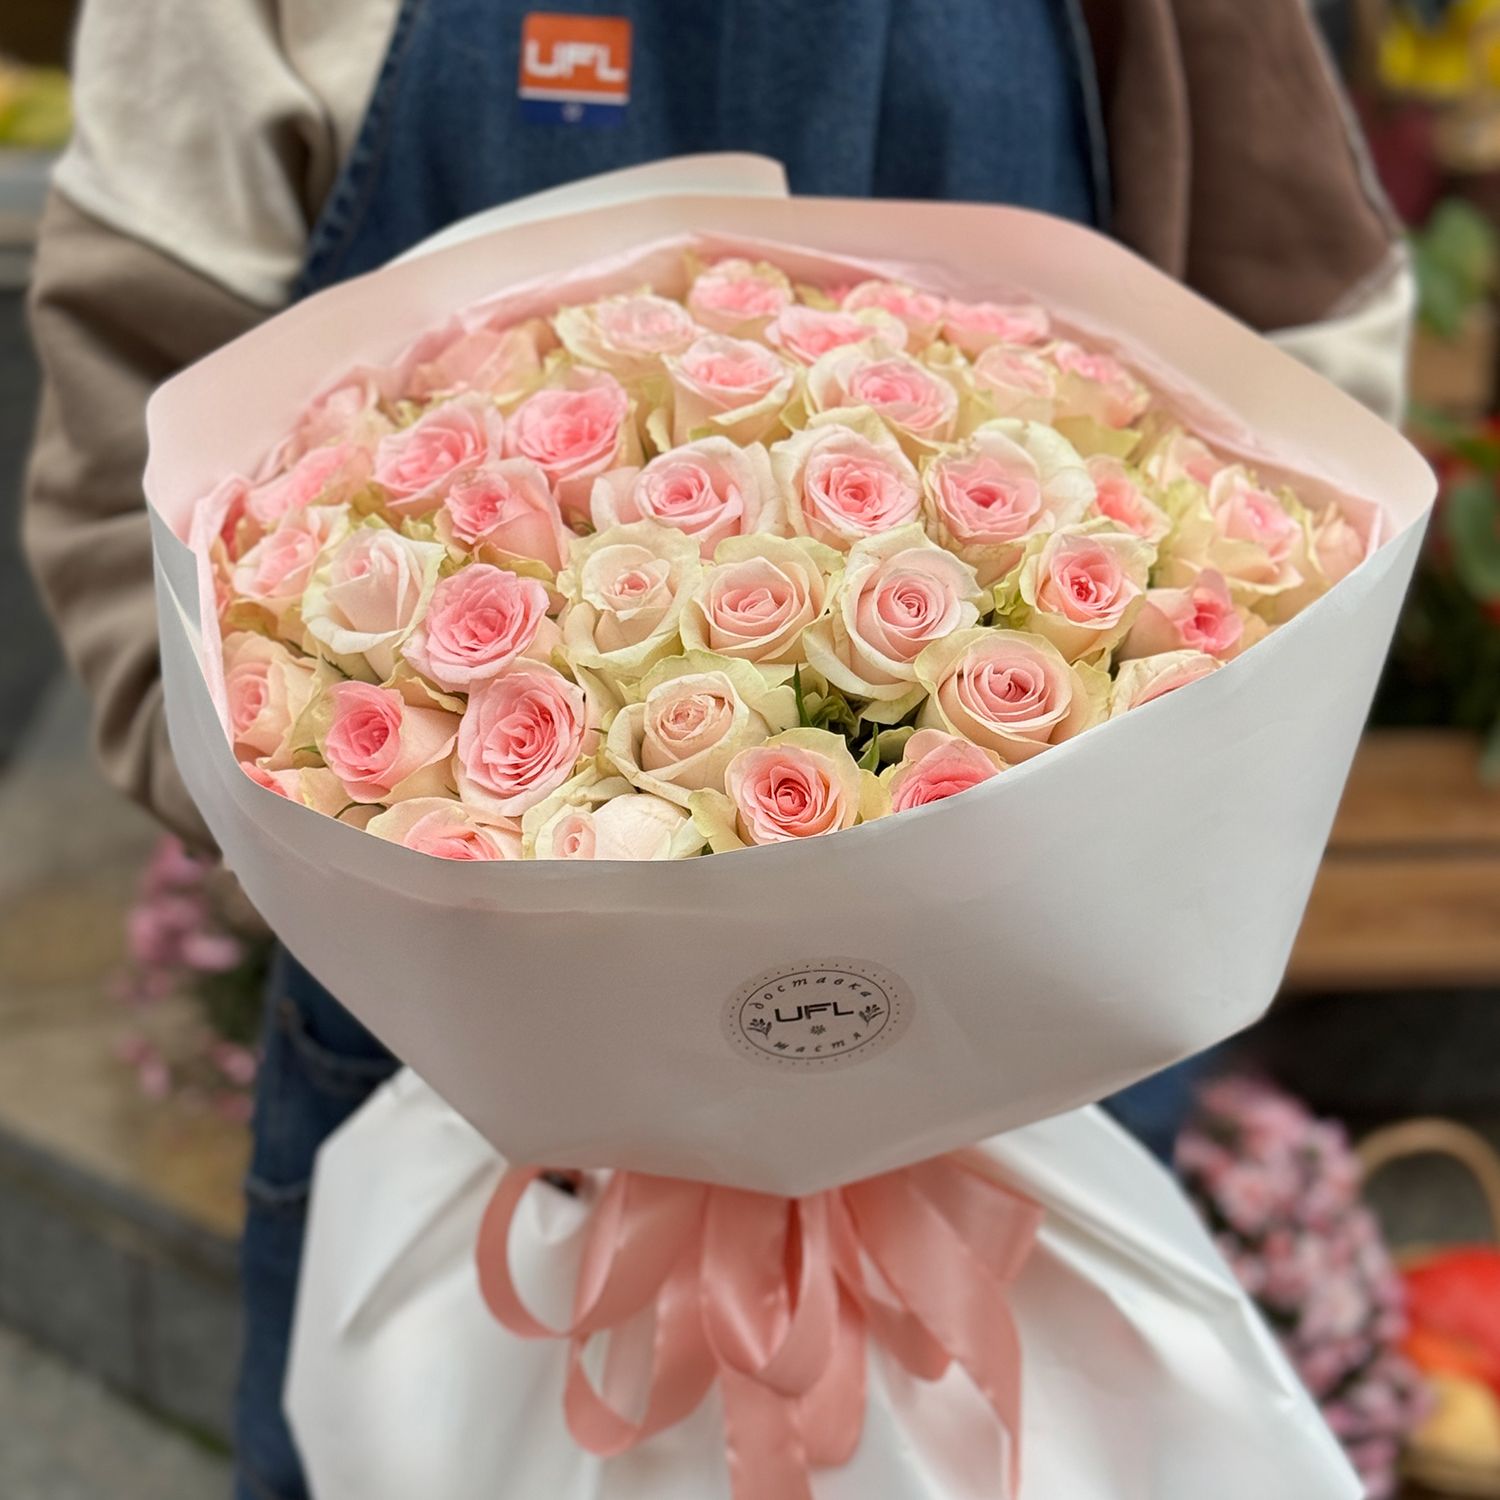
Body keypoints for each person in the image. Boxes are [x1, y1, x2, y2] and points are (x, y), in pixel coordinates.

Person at [23, 3, 1410, 1497]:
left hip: (1033, 1108)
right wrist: (349, 864)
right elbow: (128, 457)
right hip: (446, 1096)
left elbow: (1311, 384)